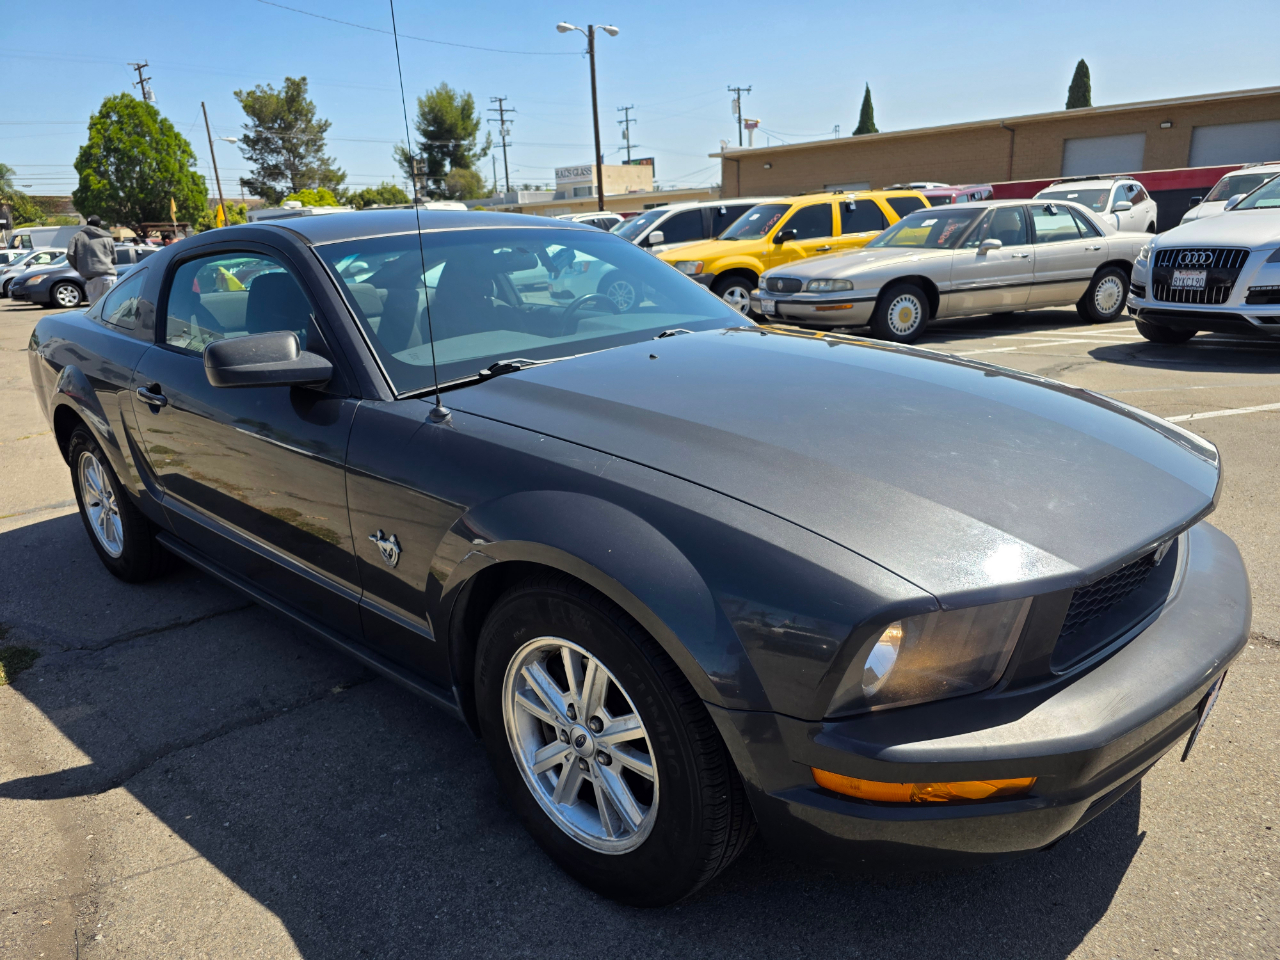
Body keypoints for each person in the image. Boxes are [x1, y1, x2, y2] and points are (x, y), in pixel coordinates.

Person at [65, 215, 117, 304]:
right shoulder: (107, 237)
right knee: (112, 310)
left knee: (95, 312)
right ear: (99, 226)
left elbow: (70, 255)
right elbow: (114, 259)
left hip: (93, 279)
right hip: (110, 277)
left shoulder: (77, 237)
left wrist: (80, 268)